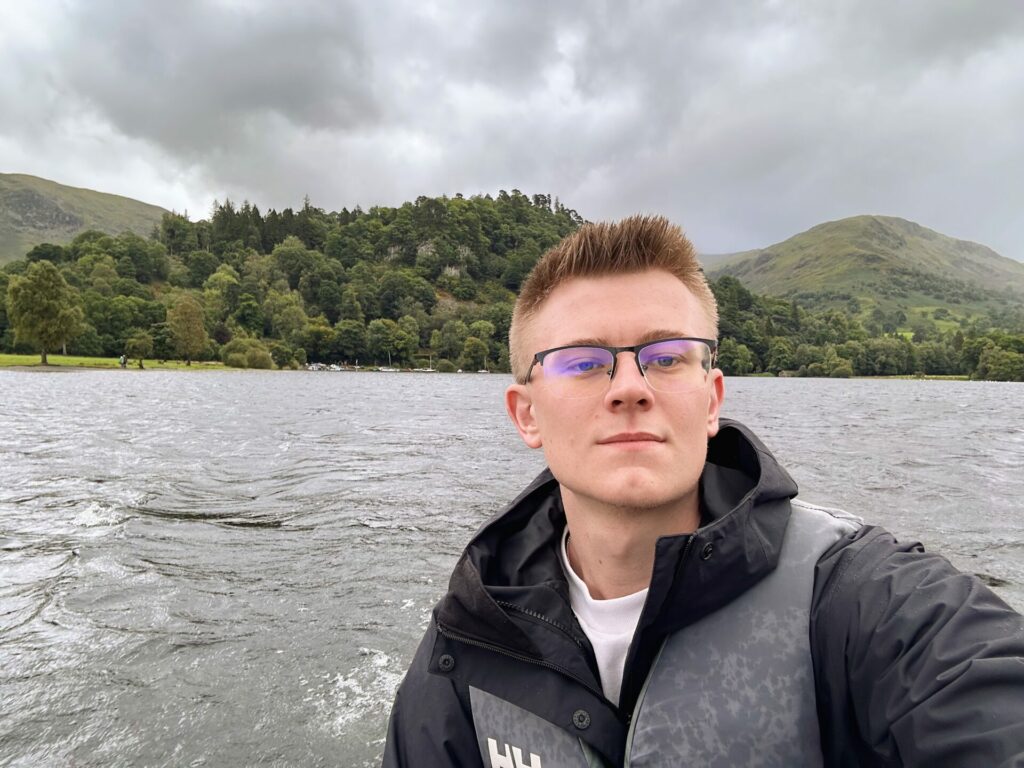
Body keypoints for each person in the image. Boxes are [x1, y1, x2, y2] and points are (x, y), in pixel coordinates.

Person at [383, 215, 1024, 767]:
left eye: (666, 357)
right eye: (581, 362)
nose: (629, 387)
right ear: (526, 414)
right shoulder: (467, 639)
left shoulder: (862, 600)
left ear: (712, 399)